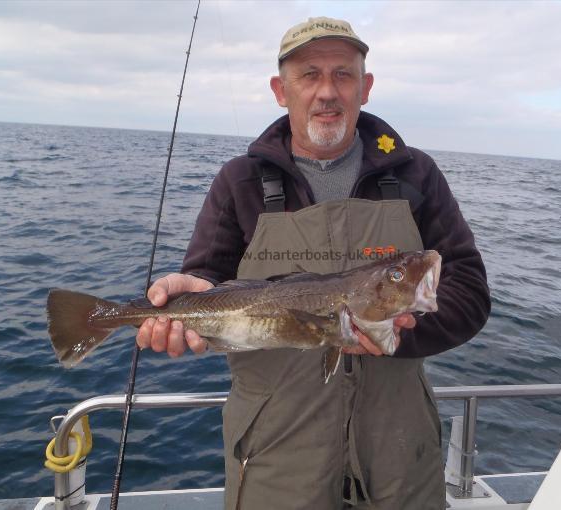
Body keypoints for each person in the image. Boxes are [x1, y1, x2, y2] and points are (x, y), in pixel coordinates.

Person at [136, 17, 490, 510]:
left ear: (365, 88)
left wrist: (398, 332)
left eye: (343, 75)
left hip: (401, 455)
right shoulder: (240, 181)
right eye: (310, 75)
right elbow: (209, 277)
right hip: (275, 457)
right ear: (281, 91)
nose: (327, 92)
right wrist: (189, 295)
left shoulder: (416, 174)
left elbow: (469, 290)